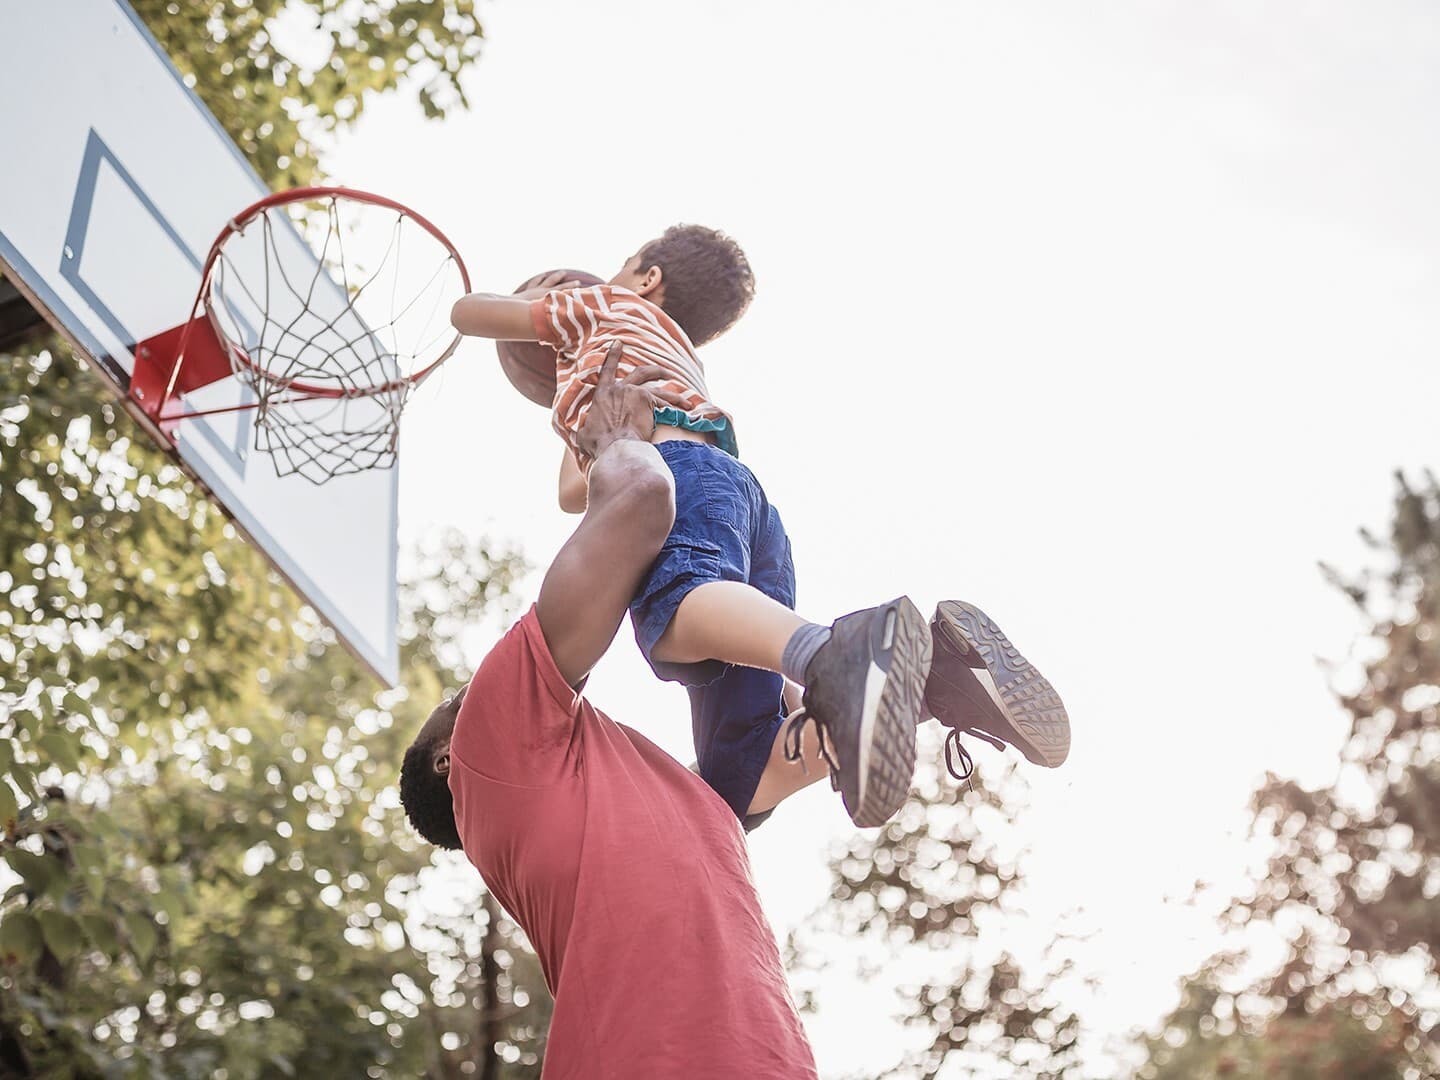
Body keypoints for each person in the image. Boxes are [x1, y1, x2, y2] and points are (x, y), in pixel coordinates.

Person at [450, 226, 1070, 830]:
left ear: (648, 277)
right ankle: (943, 681)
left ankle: (830, 652)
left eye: (623, 267)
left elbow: (467, 312)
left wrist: (541, 304)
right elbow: (571, 490)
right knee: (737, 780)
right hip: (737, 496)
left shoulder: (598, 305)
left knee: (674, 609)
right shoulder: (674, 351)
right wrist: (574, 384)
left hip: (677, 475)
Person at [399, 348, 821, 1077]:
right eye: (448, 704)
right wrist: (613, 442)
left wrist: (915, 693)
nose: (467, 687)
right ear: (449, 759)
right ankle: (825, 649)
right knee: (673, 618)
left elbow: (786, 758)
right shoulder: (486, 756)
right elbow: (638, 505)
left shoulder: (678, 801)